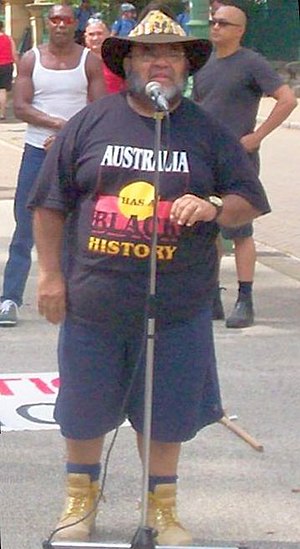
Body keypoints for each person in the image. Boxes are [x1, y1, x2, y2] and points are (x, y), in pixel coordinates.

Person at [28, 6, 270, 545]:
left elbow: (247, 200)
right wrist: (50, 277)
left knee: (166, 413)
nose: (160, 62)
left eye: (171, 53)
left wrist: (211, 207)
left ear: (186, 65)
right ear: (130, 61)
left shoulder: (207, 130)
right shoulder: (91, 122)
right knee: (85, 409)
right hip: (95, 297)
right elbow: (48, 204)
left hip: (179, 303)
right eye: (148, 52)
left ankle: (162, 509)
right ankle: (79, 502)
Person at [0, 4, 105, 327]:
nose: (60, 25)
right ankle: (9, 298)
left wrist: (66, 138)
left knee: (78, 224)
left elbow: (98, 109)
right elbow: (21, 106)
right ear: (48, 23)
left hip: (76, 154)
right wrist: (59, 127)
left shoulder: (90, 61)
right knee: (25, 224)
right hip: (36, 152)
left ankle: (76, 294)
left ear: (76, 25)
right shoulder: (32, 58)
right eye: (55, 19)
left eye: (66, 20)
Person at [193, 4, 297, 328]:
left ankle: (245, 298)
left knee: (239, 229)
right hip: (205, 156)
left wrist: (258, 135)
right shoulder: (206, 63)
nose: (215, 27)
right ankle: (211, 296)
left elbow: (287, 98)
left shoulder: (251, 62)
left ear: (239, 29)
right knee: (207, 224)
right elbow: (198, 106)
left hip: (238, 158)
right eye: (213, 22)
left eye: (223, 23)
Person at [85, 17, 126, 93]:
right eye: (91, 34)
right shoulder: (78, 61)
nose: (95, 38)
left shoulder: (119, 60)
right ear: (85, 38)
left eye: (99, 33)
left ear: (108, 35)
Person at [0, 20, 19, 120]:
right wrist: (18, 67)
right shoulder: (8, 38)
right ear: (2, 27)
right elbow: (14, 54)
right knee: (2, 90)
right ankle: (2, 114)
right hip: (6, 65)